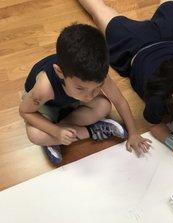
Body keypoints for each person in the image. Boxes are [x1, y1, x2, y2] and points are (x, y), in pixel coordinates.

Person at [78, 0, 173, 165]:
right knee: (96, 9)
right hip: (133, 44)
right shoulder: (158, 97)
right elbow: (153, 124)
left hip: (168, 37)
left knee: (171, 5)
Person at [19, 23, 151, 165]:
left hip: (69, 102)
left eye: (97, 86)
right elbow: (25, 112)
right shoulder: (43, 88)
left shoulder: (97, 73)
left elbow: (119, 100)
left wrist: (133, 133)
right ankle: (91, 131)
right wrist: (55, 131)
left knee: (104, 106)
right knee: (35, 135)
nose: (90, 96)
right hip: (46, 105)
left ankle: (58, 138)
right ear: (60, 73)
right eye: (81, 88)